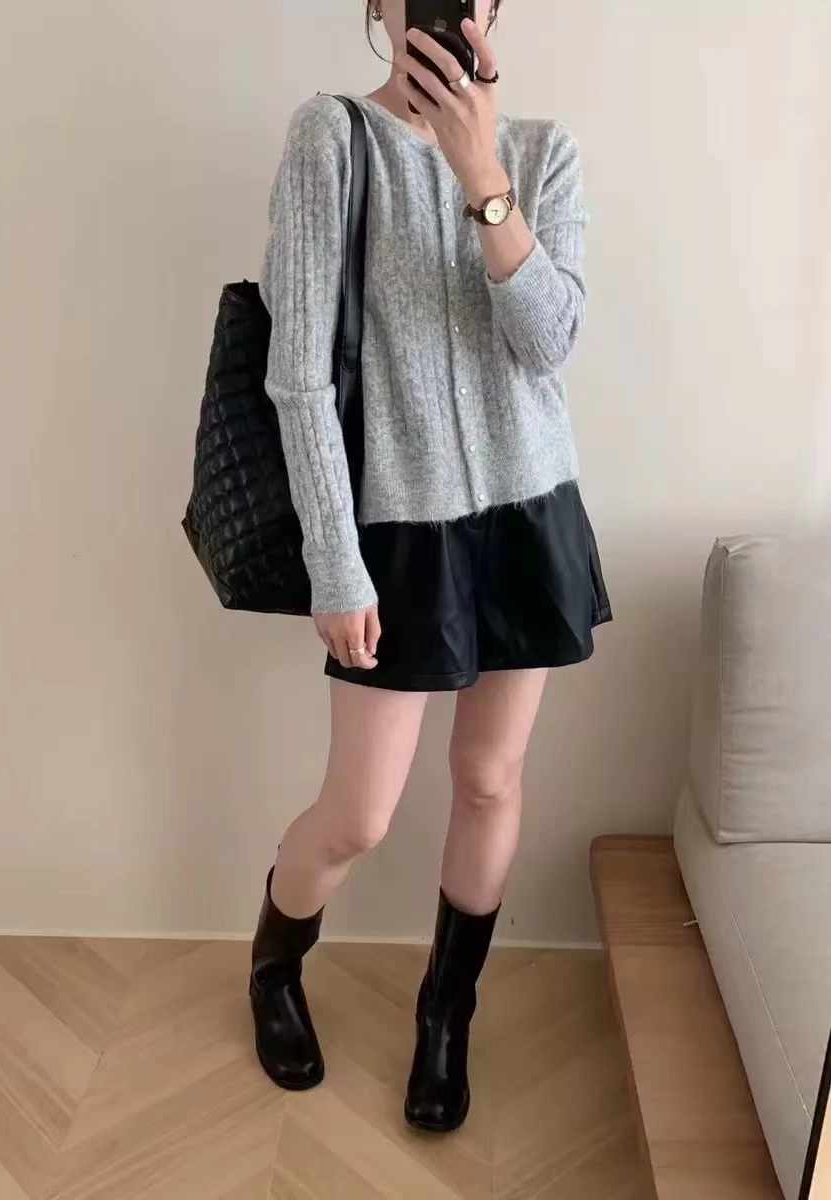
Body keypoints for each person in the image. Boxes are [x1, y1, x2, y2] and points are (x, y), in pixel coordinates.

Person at [248, 0, 613, 1133]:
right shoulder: (331, 137)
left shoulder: (542, 153)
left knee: (490, 780)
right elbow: (297, 372)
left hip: (528, 515)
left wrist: (481, 173)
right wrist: (334, 560)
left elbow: (549, 343)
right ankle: (272, 965)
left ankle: (446, 1012)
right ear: (380, 5)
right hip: (397, 529)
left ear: (495, 10)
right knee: (359, 814)